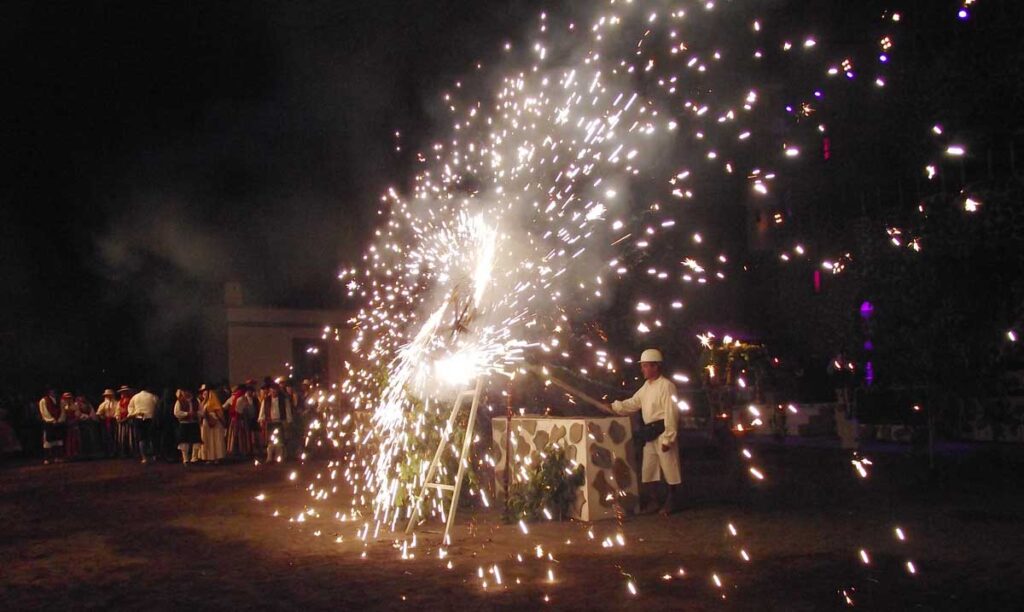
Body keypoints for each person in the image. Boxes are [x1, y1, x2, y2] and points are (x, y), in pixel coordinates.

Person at [601, 348, 682, 515]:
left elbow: (671, 413)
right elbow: (633, 402)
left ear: (656, 367)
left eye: (646, 366)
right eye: (643, 366)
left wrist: (669, 438)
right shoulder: (647, 386)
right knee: (648, 469)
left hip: (662, 431)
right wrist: (615, 406)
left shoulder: (667, 387)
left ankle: (672, 501)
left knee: (670, 468)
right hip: (650, 433)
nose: (643, 369)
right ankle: (654, 502)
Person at [258, 382, 292, 463]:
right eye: (272, 391)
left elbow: (288, 411)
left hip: (280, 422)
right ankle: (269, 457)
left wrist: (288, 420)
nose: (273, 393)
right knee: (270, 441)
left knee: (280, 440)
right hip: (270, 422)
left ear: (278, 391)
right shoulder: (266, 400)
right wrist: (261, 419)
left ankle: (279, 457)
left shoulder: (283, 400)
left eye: (275, 391)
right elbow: (262, 411)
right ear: (270, 391)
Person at [127, 386, 159, 464]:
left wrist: (133, 414)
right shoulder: (153, 396)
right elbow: (157, 407)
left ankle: (144, 457)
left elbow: (130, 407)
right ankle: (153, 456)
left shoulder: (135, 397)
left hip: (139, 418)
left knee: (142, 438)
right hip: (150, 418)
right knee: (151, 437)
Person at [198, 384, 227, 463]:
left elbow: (218, 412)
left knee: (215, 440)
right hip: (206, 423)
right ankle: (209, 457)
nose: (204, 394)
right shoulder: (203, 403)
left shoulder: (212, 401)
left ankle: (216, 457)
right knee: (208, 440)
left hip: (214, 423)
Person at [173, 389, 202, 464]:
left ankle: (194, 458)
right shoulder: (179, 401)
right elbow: (176, 413)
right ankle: (185, 459)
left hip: (194, 423)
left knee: (196, 440)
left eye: (186, 391)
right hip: (184, 423)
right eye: (183, 391)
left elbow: (201, 411)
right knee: (183, 441)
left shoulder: (196, 400)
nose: (185, 393)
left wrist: (196, 414)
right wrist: (187, 414)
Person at [38, 389, 65, 464]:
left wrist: (60, 420)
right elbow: (44, 412)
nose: (53, 392)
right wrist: (52, 420)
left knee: (58, 440)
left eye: (54, 391)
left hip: (58, 422)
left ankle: (57, 457)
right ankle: (47, 458)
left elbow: (63, 411)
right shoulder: (44, 400)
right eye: (51, 391)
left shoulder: (60, 400)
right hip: (49, 423)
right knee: (48, 441)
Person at [225, 385, 252, 458]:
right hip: (241, 418)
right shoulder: (243, 398)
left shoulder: (233, 398)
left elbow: (224, 407)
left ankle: (234, 450)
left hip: (234, 418)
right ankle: (243, 450)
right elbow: (248, 407)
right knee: (242, 435)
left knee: (234, 435)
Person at [95, 389, 119, 457]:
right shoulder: (103, 404)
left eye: (110, 395)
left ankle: (115, 451)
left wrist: (116, 416)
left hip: (114, 420)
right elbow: (99, 412)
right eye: (107, 395)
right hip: (106, 421)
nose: (108, 396)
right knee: (107, 437)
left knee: (115, 436)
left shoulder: (116, 403)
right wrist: (102, 417)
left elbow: (118, 411)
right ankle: (108, 451)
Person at [61, 392, 81, 460]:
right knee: (67, 439)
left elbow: (77, 414)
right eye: (66, 398)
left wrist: (74, 421)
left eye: (69, 398)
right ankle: (67, 454)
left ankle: (75, 454)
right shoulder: (62, 406)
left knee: (74, 439)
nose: (68, 400)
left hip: (73, 424)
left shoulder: (75, 405)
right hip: (65, 425)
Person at [116, 386, 135, 457]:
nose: (123, 393)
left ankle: (131, 451)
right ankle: (122, 451)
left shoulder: (131, 400)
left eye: (124, 392)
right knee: (122, 436)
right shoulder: (119, 402)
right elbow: (117, 410)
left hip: (129, 420)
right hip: (122, 420)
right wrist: (118, 417)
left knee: (130, 436)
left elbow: (132, 410)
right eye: (122, 392)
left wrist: (127, 417)